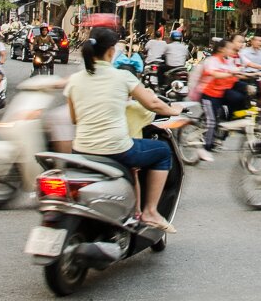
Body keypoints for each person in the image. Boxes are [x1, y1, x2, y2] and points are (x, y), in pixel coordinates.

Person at [65, 27, 181, 232]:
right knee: (162, 152)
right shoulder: (122, 77)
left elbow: (75, 118)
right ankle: (151, 211)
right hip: (117, 149)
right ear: (111, 51)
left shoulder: (75, 80)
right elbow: (153, 104)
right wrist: (173, 110)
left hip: (81, 150)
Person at [197, 36, 243, 162]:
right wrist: (231, 73)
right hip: (208, 95)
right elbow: (215, 73)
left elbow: (235, 71)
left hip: (219, 95)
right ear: (221, 49)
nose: (231, 50)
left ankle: (217, 138)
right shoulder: (212, 60)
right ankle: (204, 148)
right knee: (211, 121)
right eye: (228, 48)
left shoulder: (226, 61)